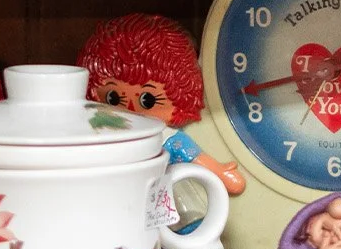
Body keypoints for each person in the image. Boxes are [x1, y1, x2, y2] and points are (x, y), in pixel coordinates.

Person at [78, 14, 246, 192]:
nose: (132, 110)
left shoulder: (165, 138)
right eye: (113, 99)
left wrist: (219, 173)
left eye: (147, 100)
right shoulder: (101, 132)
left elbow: (194, 157)